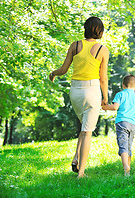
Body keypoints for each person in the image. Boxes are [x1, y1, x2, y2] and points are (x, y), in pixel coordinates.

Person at [49, 17, 109, 178]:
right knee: (88, 131)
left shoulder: (75, 45)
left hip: (75, 91)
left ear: (86, 29)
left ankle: (76, 159)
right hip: (92, 90)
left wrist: (53, 73)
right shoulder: (102, 49)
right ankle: (81, 173)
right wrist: (105, 97)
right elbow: (103, 78)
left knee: (84, 127)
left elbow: (63, 69)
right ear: (100, 31)